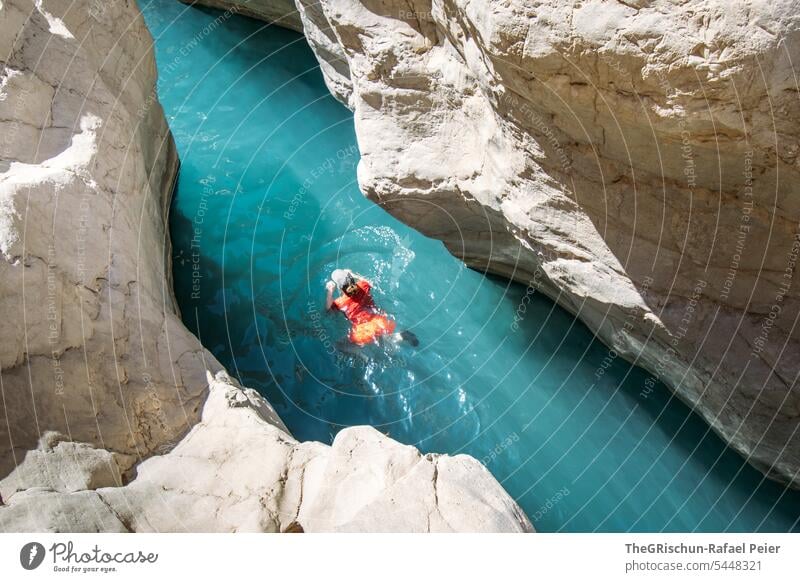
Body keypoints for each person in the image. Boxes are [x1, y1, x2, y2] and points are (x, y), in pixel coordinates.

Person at [326, 269, 418, 347]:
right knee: (381, 337)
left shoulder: (341, 303)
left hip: (364, 329)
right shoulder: (363, 285)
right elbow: (370, 282)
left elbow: (329, 309)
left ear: (341, 288)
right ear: (352, 280)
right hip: (380, 319)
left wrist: (330, 290)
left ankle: (362, 357)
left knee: (339, 345)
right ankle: (401, 336)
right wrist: (353, 274)